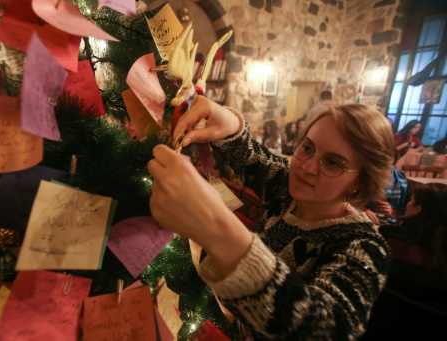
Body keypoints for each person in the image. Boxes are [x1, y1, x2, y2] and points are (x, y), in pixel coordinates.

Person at [148, 96, 395, 340]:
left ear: (360, 182)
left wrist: (218, 230)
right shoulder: (288, 188)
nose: (308, 167)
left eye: (332, 163)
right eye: (307, 147)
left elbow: (326, 329)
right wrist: (230, 122)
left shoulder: (364, 247)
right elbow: (253, 158)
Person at [362, 183, 447, 340]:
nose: (408, 202)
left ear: (416, 210)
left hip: (376, 328)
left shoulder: (388, 242)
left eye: (412, 200)